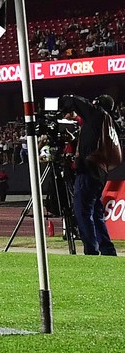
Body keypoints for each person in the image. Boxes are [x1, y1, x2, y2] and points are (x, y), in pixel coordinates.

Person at [59, 94, 118, 256]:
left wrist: (64, 102)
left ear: (98, 103)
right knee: (96, 212)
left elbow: (75, 100)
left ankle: (91, 251)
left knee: (82, 211)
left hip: (88, 170)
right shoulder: (109, 122)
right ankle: (107, 249)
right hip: (100, 172)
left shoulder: (97, 114)